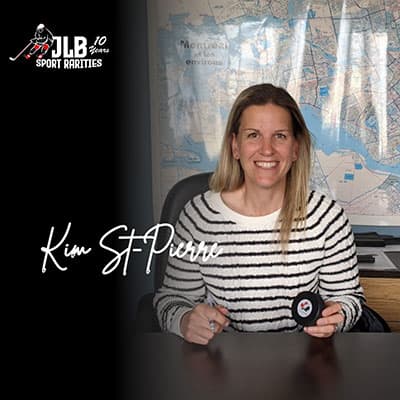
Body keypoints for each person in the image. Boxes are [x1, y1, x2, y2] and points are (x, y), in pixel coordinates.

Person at [153, 83, 364, 345]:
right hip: (222, 362)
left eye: (280, 136)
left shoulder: (328, 218)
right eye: (253, 135)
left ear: (296, 148)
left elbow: (349, 299)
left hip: (304, 362)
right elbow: (171, 300)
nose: (267, 149)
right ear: (235, 146)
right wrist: (185, 320)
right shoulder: (198, 217)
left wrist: (337, 316)